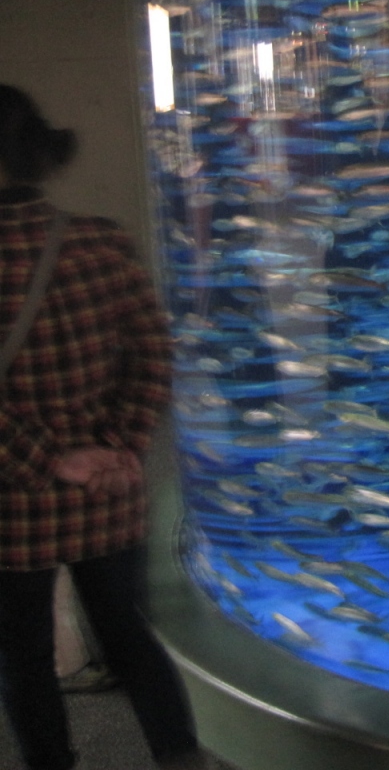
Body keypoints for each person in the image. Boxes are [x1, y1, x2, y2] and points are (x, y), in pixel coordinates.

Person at [0, 85, 204, 770]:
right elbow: (155, 355)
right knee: (137, 640)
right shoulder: (99, 241)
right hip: (107, 494)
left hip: (11, 503)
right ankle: (180, 757)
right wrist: (119, 447)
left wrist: (49, 460)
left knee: (23, 659)